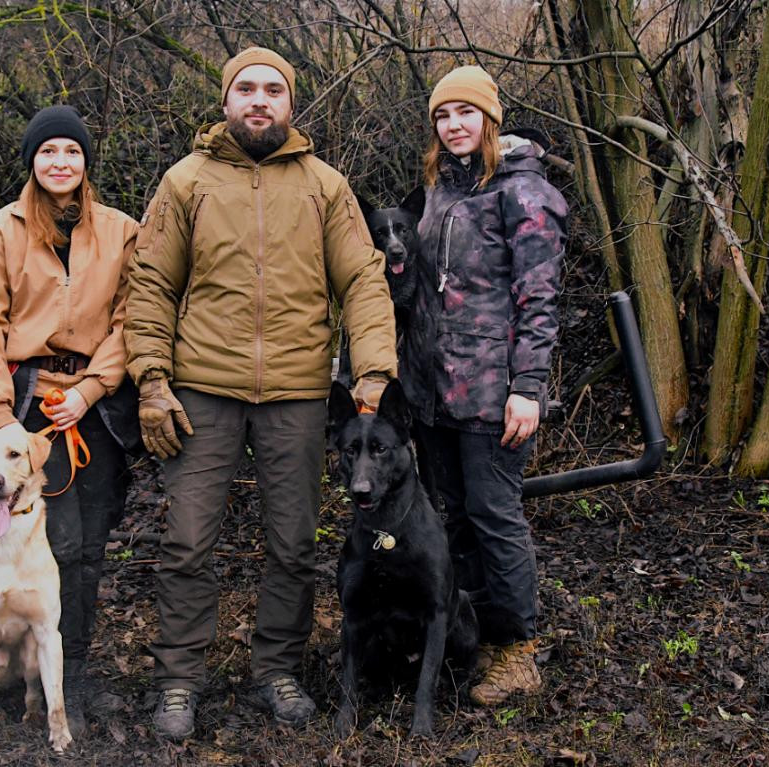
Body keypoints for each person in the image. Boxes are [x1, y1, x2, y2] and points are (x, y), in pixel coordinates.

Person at [124, 47, 397, 740]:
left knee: (293, 543)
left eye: (272, 89)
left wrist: (371, 373)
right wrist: (151, 380)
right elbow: (150, 282)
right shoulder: (185, 182)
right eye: (245, 88)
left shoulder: (324, 186)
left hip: (298, 392)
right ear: (224, 101)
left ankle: (275, 669)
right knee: (186, 540)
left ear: (290, 103)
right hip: (201, 390)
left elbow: (363, 279)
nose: (258, 100)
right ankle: (180, 679)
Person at [0, 105, 140, 736]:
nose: (60, 162)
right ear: (32, 162)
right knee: (53, 544)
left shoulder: (122, 230)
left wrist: (92, 389)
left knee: (91, 546)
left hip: (94, 406)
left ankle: (76, 673)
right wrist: (2, 417)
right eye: (48, 152)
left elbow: (133, 320)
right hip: (26, 406)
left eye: (72, 151)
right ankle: (23, 671)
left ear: (86, 161)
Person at [401, 66, 567, 708]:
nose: (455, 126)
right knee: (454, 518)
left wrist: (528, 384)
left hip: (495, 392)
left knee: (495, 517)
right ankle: (471, 639)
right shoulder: (441, 189)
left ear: (490, 119)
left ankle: (518, 650)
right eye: (444, 117)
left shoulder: (524, 192)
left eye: (466, 114)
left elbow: (541, 296)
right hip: (435, 392)